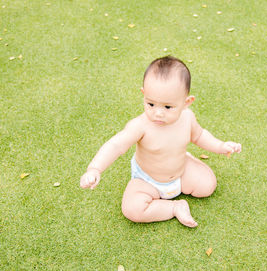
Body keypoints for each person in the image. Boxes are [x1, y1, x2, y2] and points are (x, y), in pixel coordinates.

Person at [80, 56, 242, 228]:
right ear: (144, 94)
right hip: (148, 180)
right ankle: (174, 208)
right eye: (151, 104)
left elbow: (199, 136)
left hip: (180, 172)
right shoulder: (140, 126)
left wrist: (220, 146)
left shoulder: (187, 118)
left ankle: (188, 159)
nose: (158, 113)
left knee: (207, 185)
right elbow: (116, 145)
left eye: (167, 107)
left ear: (186, 102)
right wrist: (95, 168)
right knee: (133, 209)